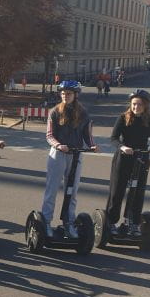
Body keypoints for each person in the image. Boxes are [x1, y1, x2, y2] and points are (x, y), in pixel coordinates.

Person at [40, 81, 98, 237]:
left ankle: (69, 222)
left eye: (69, 94)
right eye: (63, 93)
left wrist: (92, 146)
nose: (65, 96)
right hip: (58, 154)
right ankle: (45, 221)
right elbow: (49, 135)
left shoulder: (83, 113)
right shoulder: (54, 112)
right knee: (52, 190)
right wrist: (59, 145)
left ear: (76, 95)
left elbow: (87, 134)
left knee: (72, 191)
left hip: (76, 154)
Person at [106, 90, 150, 237]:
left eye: (139, 104)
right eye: (133, 104)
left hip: (142, 158)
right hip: (124, 157)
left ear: (145, 105)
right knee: (117, 191)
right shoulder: (123, 118)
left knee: (138, 192)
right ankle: (111, 222)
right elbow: (113, 138)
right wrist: (122, 147)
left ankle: (132, 223)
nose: (136, 107)